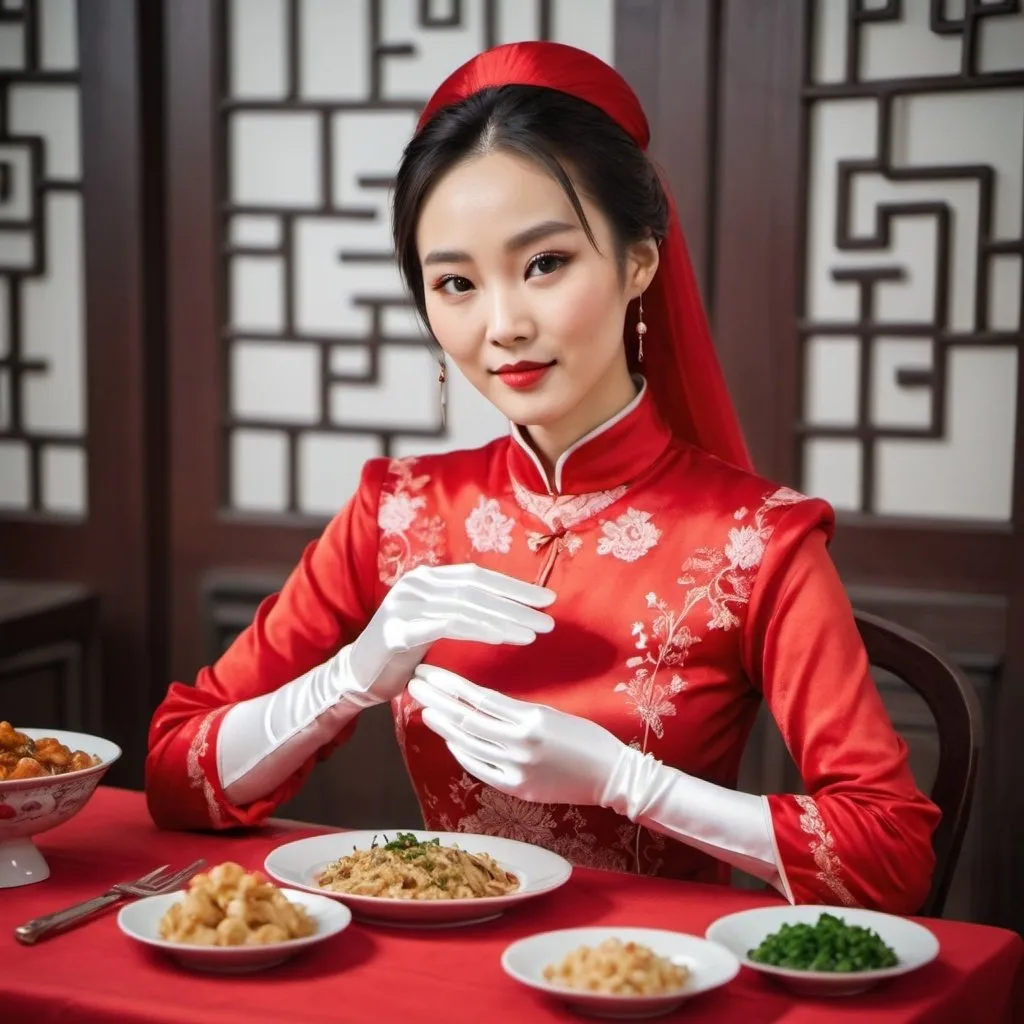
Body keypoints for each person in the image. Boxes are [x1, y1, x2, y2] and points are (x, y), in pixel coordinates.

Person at [146, 41, 939, 912]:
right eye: (455, 282)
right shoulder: (398, 510)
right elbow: (177, 770)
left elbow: (893, 857)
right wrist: (349, 679)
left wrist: (631, 783)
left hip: (651, 980)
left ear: (639, 261)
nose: (504, 323)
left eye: (545, 263)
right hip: (435, 969)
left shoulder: (758, 540)